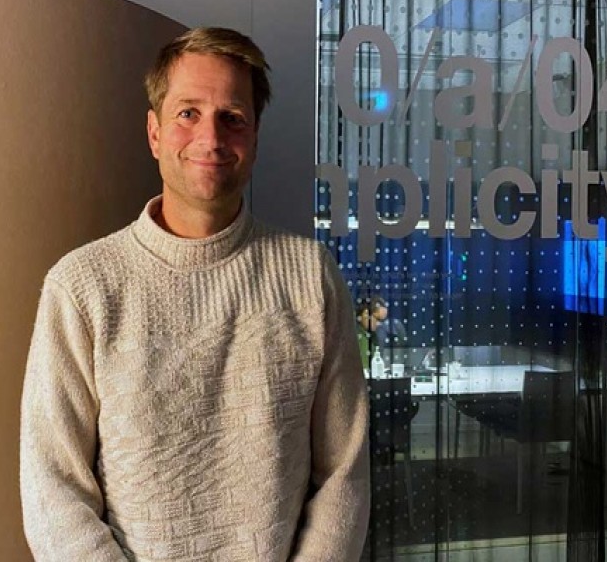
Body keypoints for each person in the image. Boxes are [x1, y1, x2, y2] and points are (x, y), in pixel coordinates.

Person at [19, 27, 370, 561]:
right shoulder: (83, 287)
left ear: (254, 137)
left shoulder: (310, 277)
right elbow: (53, 491)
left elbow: (344, 473)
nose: (211, 137)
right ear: (154, 133)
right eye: (188, 113)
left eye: (233, 117)